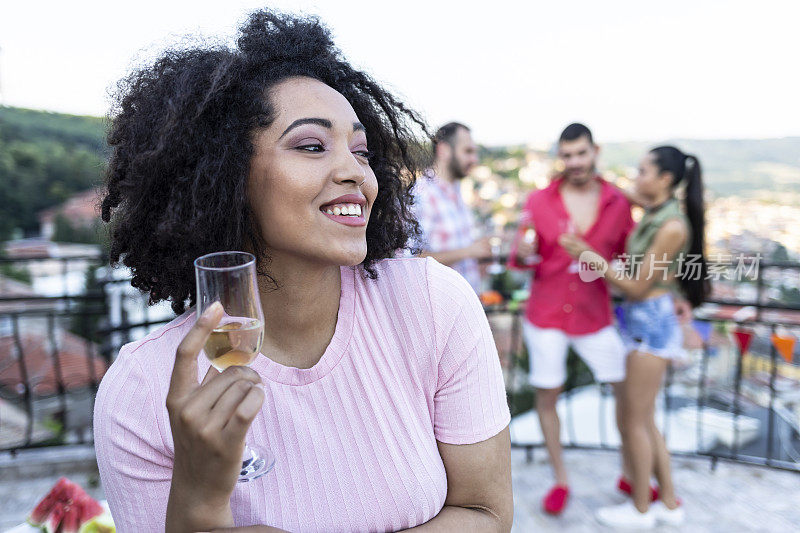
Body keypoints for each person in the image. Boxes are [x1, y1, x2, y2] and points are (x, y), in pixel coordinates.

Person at [93, 10, 512, 533]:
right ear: (222, 175)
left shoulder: (433, 305)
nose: (355, 172)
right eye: (312, 146)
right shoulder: (142, 392)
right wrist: (198, 501)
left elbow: (486, 514)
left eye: (361, 151)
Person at [560, 145, 708, 528]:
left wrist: (587, 253)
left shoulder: (672, 226)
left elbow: (637, 287)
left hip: (648, 325)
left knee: (635, 421)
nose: (636, 177)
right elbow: (626, 193)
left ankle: (641, 509)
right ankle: (670, 504)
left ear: (664, 179)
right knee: (645, 419)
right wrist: (590, 174)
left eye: (643, 171)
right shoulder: (657, 209)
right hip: (642, 324)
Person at [508, 123, 633, 515]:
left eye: (581, 153)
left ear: (595, 151)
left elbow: (630, 261)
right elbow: (520, 259)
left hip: (596, 315)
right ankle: (561, 480)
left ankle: (632, 469)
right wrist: (526, 251)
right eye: (567, 155)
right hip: (546, 313)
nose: (575, 162)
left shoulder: (618, 202)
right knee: (548, 395)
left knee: (626, 395)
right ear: (559, 157)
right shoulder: (540, 201)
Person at [412, 122, 492, 292]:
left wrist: (477, 259)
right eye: (468, 151)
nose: (474, 159)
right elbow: (412, 260)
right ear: (444, 150)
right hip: (441, 311)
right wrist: (469, 251)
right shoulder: (421, 195)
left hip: (466, 304)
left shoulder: (456, 190)